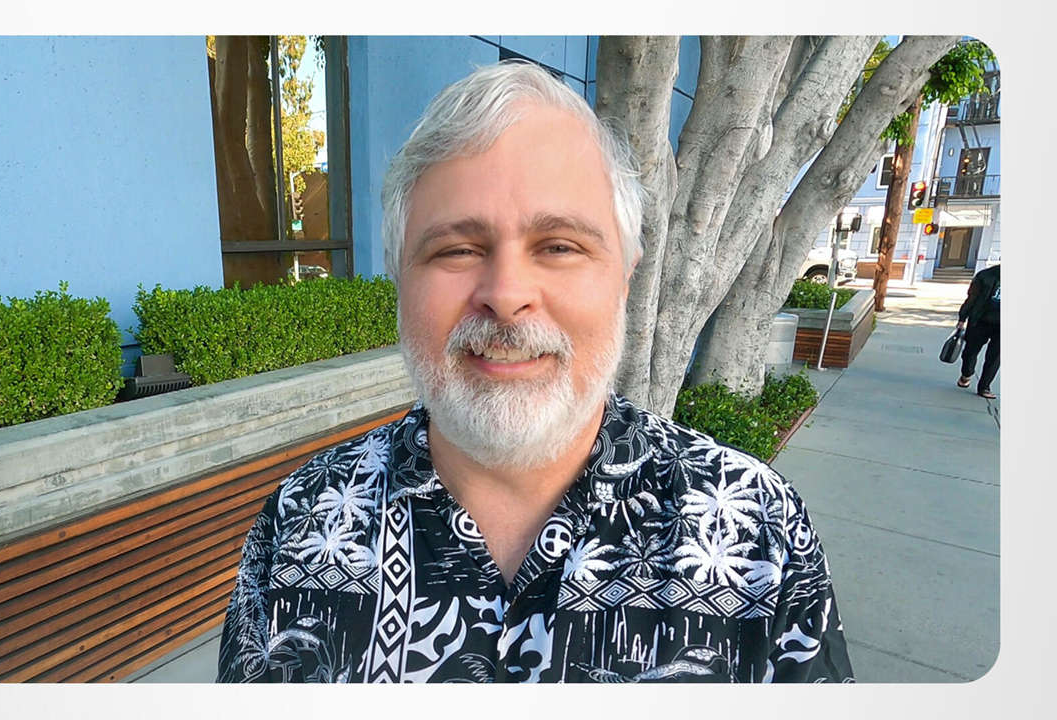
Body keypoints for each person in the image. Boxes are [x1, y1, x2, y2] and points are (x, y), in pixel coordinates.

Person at [217, 61, 853, 683]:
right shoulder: (298, 523)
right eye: (457, 249)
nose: (506, 293)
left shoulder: (761, 534)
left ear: (624, 277)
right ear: (399, 280)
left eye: (559, 246)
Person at [955, 263, 1001, 399]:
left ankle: (984, 387)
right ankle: (967, 373)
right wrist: (962, 318)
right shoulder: (985, 276)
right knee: (970, 352)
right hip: (980, 320)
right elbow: (971, 298)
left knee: (995, 357)